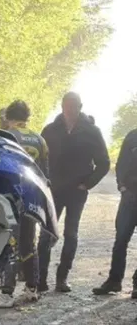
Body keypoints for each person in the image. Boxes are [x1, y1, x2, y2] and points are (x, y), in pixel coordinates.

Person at [37, 92, 110, 293]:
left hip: (77, 191)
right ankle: (40, 279)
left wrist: (87, 184)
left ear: (80, 106)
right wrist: (44, 181)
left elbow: (103, 163)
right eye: (67, 105)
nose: (70, 109)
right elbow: (40, 160)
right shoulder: (50, 130)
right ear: (62, 106)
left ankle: (62, 278)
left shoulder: (92, 131)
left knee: (71, 234)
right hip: (53, 190)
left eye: (74, 105)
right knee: (47, 234)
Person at [0, 100, 49, 308]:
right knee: (28, 243)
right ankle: (32, 288)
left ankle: (6, 293)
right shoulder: (40, 140)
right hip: (31, 198)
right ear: (28, 117)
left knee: (10, 242)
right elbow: (45, 175)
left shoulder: (6, 137)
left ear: (8, 118)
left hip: (10, 197)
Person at [93, 127, 137, 298]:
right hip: (130, 198)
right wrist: (122, 187)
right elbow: (121, 163)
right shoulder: (132, 136)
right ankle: (114, 281)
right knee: (120, 241)